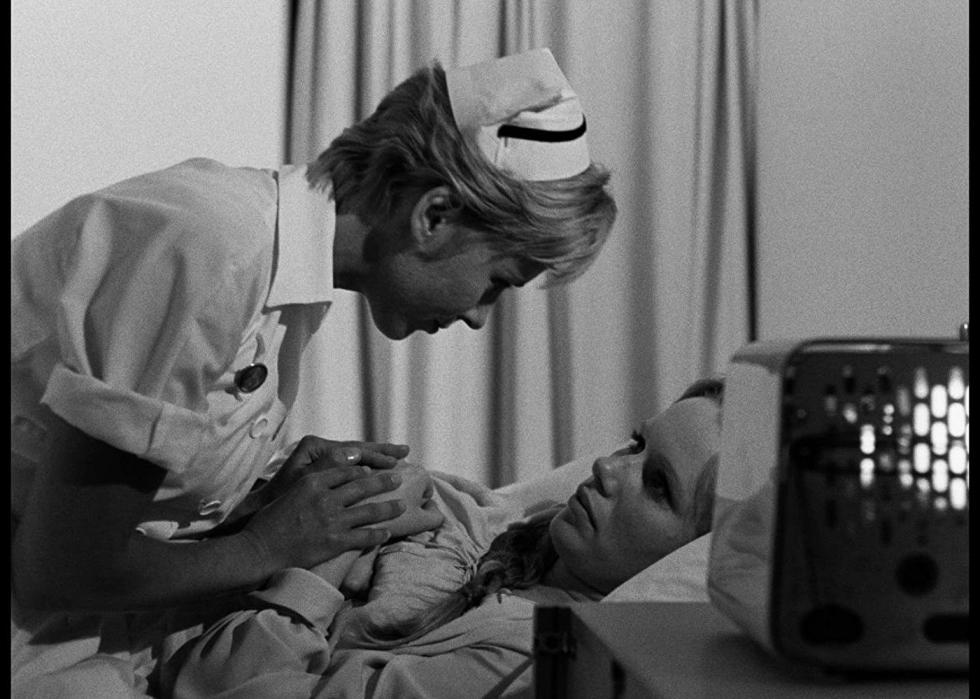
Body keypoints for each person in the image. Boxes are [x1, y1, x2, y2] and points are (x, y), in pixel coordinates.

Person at [9, 47, 617, 698]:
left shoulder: (278, 276)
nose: (477, 316)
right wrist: (266, 546)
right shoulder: (215, 249)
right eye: (497, 282)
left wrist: (260, 501)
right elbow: (63, 566)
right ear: (434, 216)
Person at [161, 378, 724, 699]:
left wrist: (332, 554)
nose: (607, 466)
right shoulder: (491, 519)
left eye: (658, 485)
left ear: (690, 560)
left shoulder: (529, 659)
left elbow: (216, 686)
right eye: (635, 444)